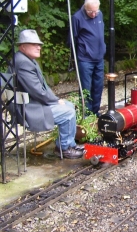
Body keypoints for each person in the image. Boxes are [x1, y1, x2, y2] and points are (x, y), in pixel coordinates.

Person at [10, 30, 83, 159]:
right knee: (67, 113)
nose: (39, 47)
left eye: (39, 44)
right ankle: (63, 148)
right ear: (22, 46)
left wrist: (56, 99)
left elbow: (43, 87)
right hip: (29, 108)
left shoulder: (27, 60)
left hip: (33, 103)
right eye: (34, 44)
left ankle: (69, 144)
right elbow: (37, 90)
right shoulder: (23, 63)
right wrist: (55, 101)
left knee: (69, 105)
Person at [71, 0, 106, 117]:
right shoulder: (77, 17)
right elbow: (72, 39)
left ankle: (95, 112)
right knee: (86, 88)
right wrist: (73, 58)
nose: (93, 14)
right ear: (85, 8)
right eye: (90, 11)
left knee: (98, 86)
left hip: (99, 58)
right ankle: (86, 114)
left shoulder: (99, 14)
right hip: (85, 59)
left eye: (96, 11)